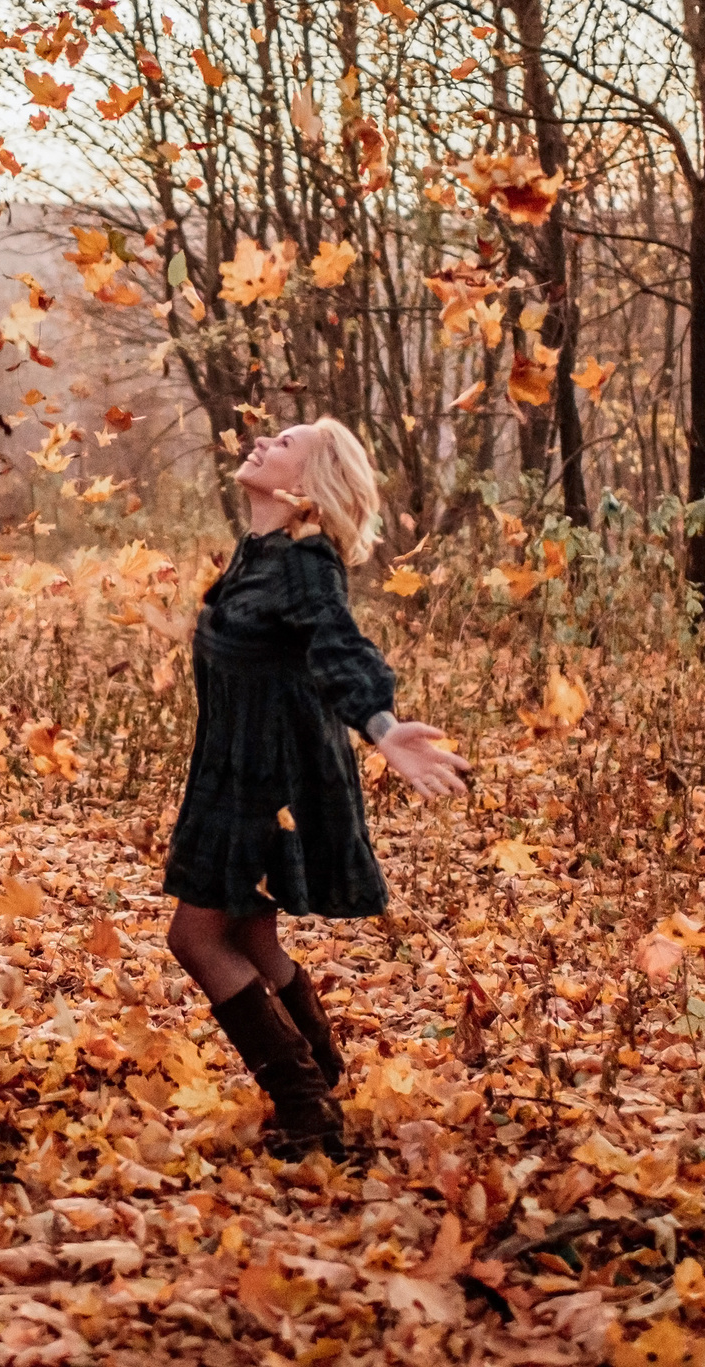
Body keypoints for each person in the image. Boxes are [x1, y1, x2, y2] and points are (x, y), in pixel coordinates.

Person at [162, 419, 470, 1156]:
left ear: (306, 483)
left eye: (285, 443)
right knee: (248, 931)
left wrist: (382, 724)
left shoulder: (304, 561)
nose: (263, 441)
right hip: (237, 767)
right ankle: (323, 1076)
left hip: (266, 777)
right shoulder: (258, 553)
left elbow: (339, 644)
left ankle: (307, 1109)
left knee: (195, 937)